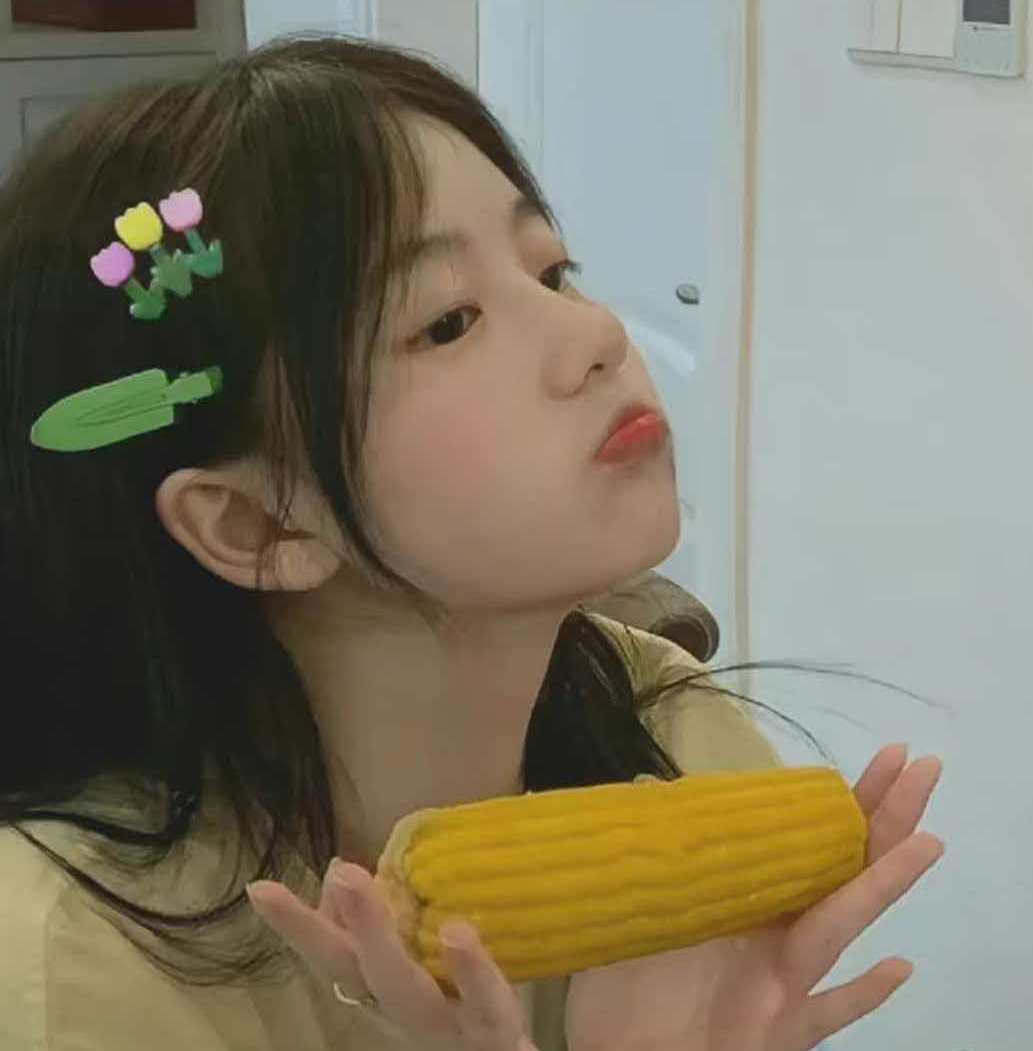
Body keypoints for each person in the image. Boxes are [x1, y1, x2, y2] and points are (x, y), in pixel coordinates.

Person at [0, 33, 944, 1051]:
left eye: (552, 270)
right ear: (261, 523)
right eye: (449, 321)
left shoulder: (674, 730)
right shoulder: (72, 965)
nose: (596, 335)